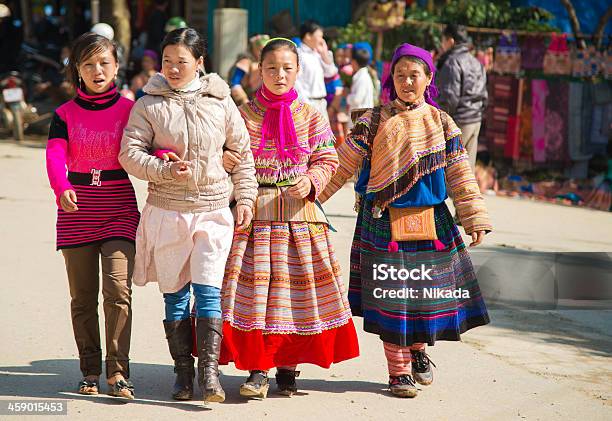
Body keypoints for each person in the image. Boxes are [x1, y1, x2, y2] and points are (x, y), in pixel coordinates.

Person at [319, 43, 492, 398]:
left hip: (431, 221)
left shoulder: (441, 122)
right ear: (391, 80)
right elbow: (341, 166)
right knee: (391, 296)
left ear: (429, 78)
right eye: (400, 75)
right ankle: (398, 373)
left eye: (415, 75)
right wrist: (310, 198)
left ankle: (417, 352)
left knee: (422, 295)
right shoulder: (372, 120)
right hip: (381, 221)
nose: (407, 81)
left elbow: (460, 173)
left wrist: (473, 216)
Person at [119, 28, 258, 404]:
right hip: (167, 210)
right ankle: (182, 373)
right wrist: (163, 170)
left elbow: (241, 154)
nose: (174, 68)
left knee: (209, 291)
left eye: (182, 61)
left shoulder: (220, 100)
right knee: (176, 295)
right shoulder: (148, 104)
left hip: (213, 210)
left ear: (200, 63)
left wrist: (244, 197)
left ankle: (209, 374)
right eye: (167, 61)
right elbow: (129, 153)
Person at [219, 38, 360, 399]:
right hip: (255, 215)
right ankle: (257, 370)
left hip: (301, 218)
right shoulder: (243, 115)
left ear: (298, 71)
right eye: (271, 68)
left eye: (287, 68)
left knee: (295, 297)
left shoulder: (312, 115)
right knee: (254, 296)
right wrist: (230, 165)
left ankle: (288, 367)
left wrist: (311, 181)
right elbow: (227, 157)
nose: (279, 75)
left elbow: (328, 159)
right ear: (258, 70)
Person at [45, 32, 139, 399]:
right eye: (88, 64)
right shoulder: (63, 114)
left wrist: (164, 156)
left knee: (118, 290)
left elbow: (152, 141)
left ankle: (118, 372)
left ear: (116, 66)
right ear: (78, 71)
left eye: (104, 62)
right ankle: (89, 370)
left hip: (119, 207)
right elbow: (55, 155)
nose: (97, 70)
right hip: (76, 209)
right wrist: (60, 186)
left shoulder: (132, 109)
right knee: (82, 298)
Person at [437, 24, 488, 172]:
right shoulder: (476, 62)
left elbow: (449, 98)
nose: (442, 45)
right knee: (466, 170)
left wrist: (442, 122)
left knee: (448, 170)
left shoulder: (452, 62)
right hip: (475, 120)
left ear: (451, 41)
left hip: (459, 121)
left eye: (443, 40)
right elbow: (484, 96)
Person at [294, 20, 338, 120]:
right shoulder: (299, 54)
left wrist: (324, 53)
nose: (322, 40)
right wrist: (306, 104)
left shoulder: (317, 54)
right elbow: (296, 83)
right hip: (308, 104)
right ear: (308, 36)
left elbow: (331, 72)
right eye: (319, 36)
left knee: (324, 135)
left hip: (321, 103)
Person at [228, 34, 270, 105]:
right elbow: (235, 83)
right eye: (260, 50)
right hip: (245, 100)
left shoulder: (268, 63)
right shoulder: (245, 62)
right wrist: (243, 100)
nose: (263, 53)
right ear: (254, 49)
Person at [346, 47, 375, 117]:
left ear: (354, 62)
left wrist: (347, 95)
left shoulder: (362, 78)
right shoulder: (362, 76)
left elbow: (357, 99)